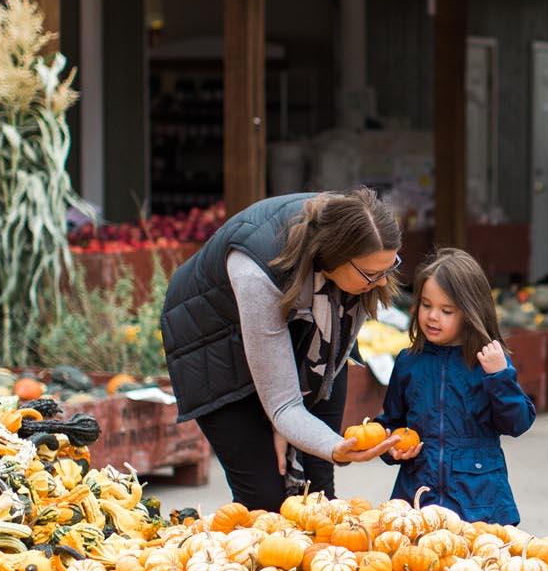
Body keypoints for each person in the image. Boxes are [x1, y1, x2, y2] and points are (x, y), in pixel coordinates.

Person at [162, 187, 403, 510]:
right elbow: (284, 405)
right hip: (214, 342)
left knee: (318, 493)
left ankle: (318, 557)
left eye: (389, 268)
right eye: (373, 274)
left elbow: (328, 361)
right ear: (331, 258)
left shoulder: (360, 244)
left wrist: (304, 434)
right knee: (264, 500)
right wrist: (322, 439)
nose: (384, 282)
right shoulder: (256, 271)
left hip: (311, 329)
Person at [380, 248, 536, 524]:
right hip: (418, 496)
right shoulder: (409, 362)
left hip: (480, 501)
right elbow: (392, 421)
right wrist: (392, 448)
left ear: (470, 311)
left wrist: (499, 376)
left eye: (446, 310)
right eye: (426, 305)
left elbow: (518, 423)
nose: (432, 317)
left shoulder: (489, 361)